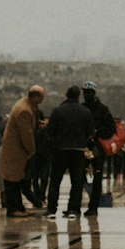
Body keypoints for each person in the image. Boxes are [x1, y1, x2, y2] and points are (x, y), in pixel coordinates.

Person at [45, 86, 94, 219]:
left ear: (66, 95)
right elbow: (90, 132)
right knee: (76, 182)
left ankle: (51, 209)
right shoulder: (85, 111)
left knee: (55, 181)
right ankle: (73, 208)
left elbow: (49, 132)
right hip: (78, 150)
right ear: (79, 96)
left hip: (60, 150)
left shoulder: (57, 111)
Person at [1, 86, 45, 218]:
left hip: (15, 150)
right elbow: (26, 134)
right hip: (16, 151)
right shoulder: (25, 110)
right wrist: (32, 150)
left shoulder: (25, 104)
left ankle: (19, 207)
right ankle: (13, 209)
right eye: (42, 97)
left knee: (16, 180)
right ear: (36, 97)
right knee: (13, 181)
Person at [81, 82, 115, 216]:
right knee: (84, 177)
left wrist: (97, 133)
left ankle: (93, 205)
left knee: (96, 177)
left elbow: (110, 129)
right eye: (85, 92)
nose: (87, 95)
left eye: (88, 92)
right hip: (88, 146)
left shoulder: (102, 109)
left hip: (96, 147)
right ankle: (91, 205)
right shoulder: (101, 109)